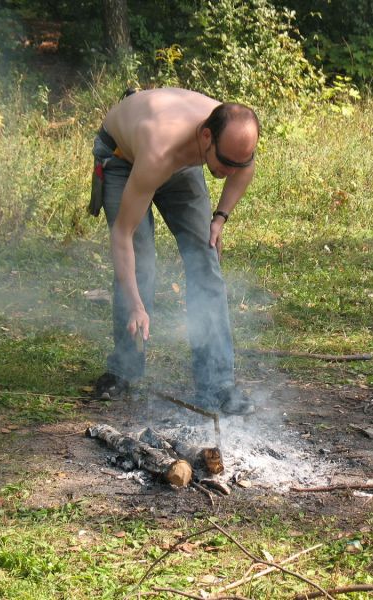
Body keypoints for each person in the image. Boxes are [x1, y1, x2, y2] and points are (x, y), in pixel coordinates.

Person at [89, 87, 259, 415]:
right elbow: (122, 235)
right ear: (207, 136)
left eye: (239, 163)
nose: (231, 172)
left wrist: (220, 218)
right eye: (226, 164)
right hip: (123, 158)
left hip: (185, 160)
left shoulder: (231, 141)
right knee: (141, 265)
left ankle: (218, 383)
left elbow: (244, 169)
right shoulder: (159, 152)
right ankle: (123, 370)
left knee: (205, 261)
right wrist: (137, 305)